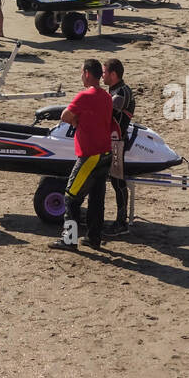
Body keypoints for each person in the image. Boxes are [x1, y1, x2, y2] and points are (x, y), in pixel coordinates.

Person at [49, 59, 116, 252]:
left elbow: (65, 116)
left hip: (91, 156)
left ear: (87, 73)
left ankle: (69, 240)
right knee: (96, 198)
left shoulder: (85, 96)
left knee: (71, 196)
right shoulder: (105, 96)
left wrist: (77, 121)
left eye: (81, 72)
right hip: (105, 154)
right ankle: (93, 238)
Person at [103, 58, 134, 236]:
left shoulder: (122, 92)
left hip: (117, 142)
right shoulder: (116, 89)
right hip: (113, 140)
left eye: (105, 72)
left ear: (113, 75)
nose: (102, 75)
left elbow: (108, 113)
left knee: (117, 182)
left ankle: (121, 223)